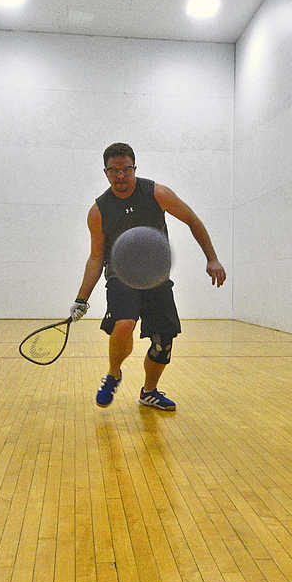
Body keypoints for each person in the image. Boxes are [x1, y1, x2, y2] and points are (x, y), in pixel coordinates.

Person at [70, 142, 227, 411]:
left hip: (156, 278)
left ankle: (149, 391)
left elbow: (192, 220)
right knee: (124, 323)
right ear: (105, 172)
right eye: (114, 170)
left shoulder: (157, 193)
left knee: (163, 341)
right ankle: (114, 374)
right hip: (121, 276)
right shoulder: (98, 211)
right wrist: (81, 299)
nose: (121, 176)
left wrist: (212, 258)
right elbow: (96, 257)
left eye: (126, 169)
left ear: (134, 168)